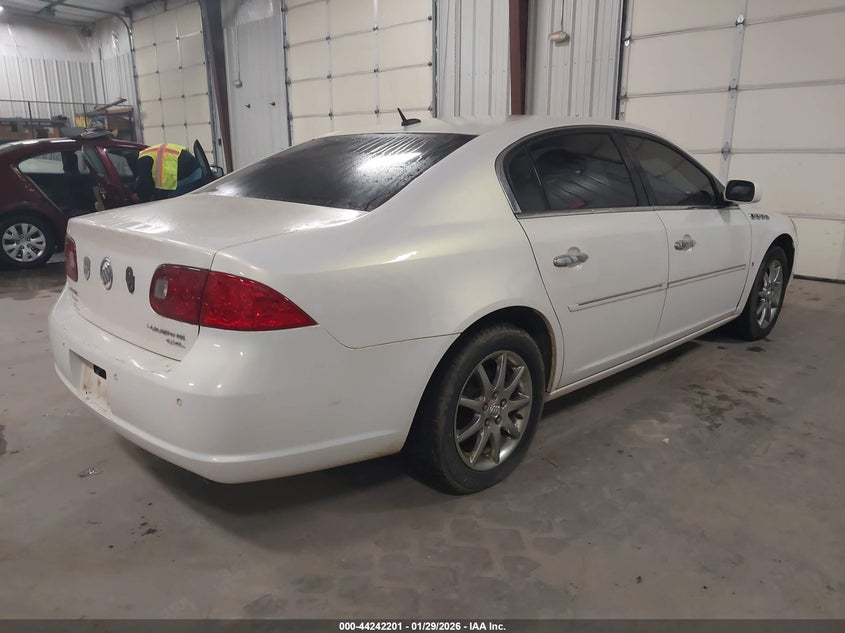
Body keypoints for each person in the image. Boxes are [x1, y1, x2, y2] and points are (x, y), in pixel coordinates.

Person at [135, 143, 205, 203]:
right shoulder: (148, 153)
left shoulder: (143, 160)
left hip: (188, 175)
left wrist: (141, 201)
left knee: (172, 204)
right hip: (194, 169)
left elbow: (145, 183)